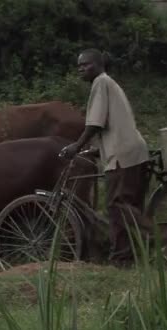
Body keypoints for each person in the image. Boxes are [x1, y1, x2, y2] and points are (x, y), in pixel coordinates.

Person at [59, 49, 151, 264]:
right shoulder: (110, 84)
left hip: (122, 154)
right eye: (79, 66)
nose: (81, 69)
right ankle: (122, 259)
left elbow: (94, 123)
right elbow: (110, 124)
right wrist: (94, 149)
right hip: (132, 151)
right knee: (126, 208)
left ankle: (161, 236)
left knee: (116, 205)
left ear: (99, 64)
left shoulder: (101, 83)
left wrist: (76, 146)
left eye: (86, 64)